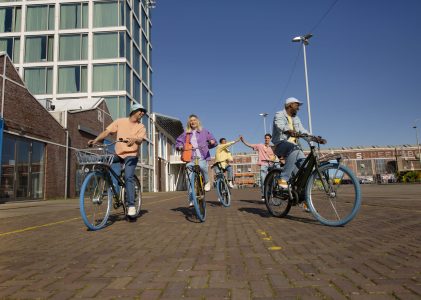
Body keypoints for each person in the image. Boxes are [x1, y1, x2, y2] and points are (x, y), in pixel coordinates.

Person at [88, 103, 146, 217]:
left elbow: (140, 140)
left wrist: (134, 139)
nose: (142, 113)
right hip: (119, 154)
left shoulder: (141, 127)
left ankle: (131, 205)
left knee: (128, 177)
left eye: (143, 112)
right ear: (134, 110)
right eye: (141, 110)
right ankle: (103, 188)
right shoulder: (120, 121)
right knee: (102, 160)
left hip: (132, 155)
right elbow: (107, 132)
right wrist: (95, 140)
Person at [272, 97, 325, 189]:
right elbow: (279, 125)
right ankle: (283, 178)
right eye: (297, 105)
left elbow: (302, 130)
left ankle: (301, 195)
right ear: (290, 105)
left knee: (304, 167)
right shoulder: (279, 114)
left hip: (295, 148)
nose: (298, 108)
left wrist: (314, 138)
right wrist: (289, 131)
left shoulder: (296, 118)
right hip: (280, 144)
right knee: (295, 149)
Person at [176, 114, 217, 206]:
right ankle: (191, 198)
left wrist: (212, 142)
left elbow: (213, 141)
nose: (192, 121)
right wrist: (179, 147)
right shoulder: (186, 133)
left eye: (194, 120)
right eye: (190, 120)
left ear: (197, 121)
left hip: (201, 156)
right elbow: (178, 142)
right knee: (189, 177)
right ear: (189, 123)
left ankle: (207, 182)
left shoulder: (204, 131)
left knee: (203, 166)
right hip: (190, 157)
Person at [240, 134, 275, 201]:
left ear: (270, 139)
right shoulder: (260, 145)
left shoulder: (272, 147)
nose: (266, 139)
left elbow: (276, 155)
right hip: (263, 164)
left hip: (271, 165)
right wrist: (243, 141)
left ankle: (270, 193)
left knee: (271, 181)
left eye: (268, 138)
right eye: (265, 138)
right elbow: (250, 145)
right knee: (262, 179)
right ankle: (263, 194)